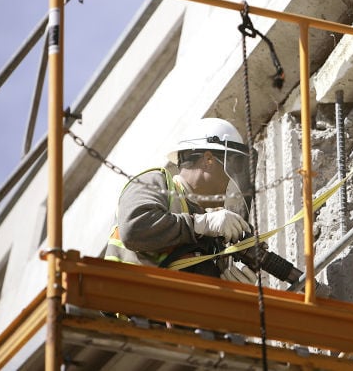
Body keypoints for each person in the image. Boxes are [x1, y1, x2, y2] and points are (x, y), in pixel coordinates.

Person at [104, 117, 257, 284]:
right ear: (208, 160)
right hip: (132, 299)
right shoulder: (156, 182)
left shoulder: (209, 236)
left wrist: (231, 294)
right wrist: (200, 224)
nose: (231, 180)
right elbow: (134, 228)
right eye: (232, 167)